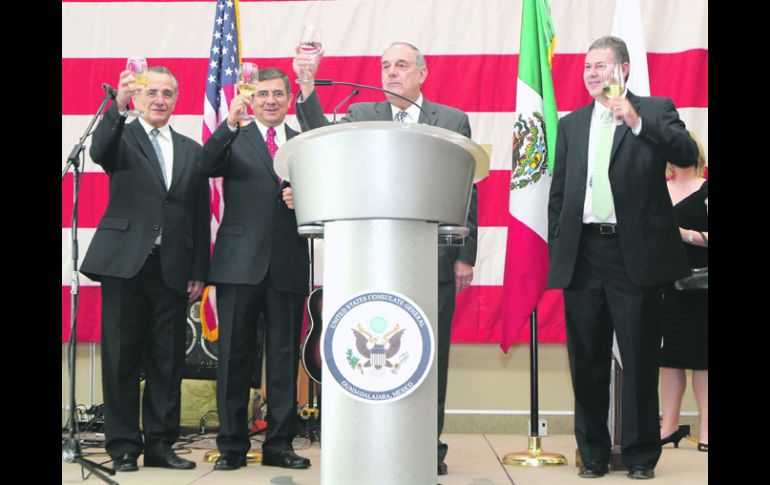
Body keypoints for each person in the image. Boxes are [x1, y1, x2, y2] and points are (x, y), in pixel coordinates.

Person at [291, 41, 478, 476]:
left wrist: (464, 254)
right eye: (386, 66)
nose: (392, 72)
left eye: (401, 65)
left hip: (433, 258)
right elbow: (321, 142)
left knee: (429, 357)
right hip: (367, 262)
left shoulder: (450, 120)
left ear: (422, 73)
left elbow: (467, 189)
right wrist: (307, 86)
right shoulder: (361, 114)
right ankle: (366, 442)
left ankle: (426, 447)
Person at [547, 36, 698, 480]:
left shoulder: (654, 110)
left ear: (624, 70)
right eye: (587, 67)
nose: (592, 73)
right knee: (587, 360)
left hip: (634, 256)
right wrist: (561, 246)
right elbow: (560, 195)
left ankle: (640, 456)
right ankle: (592, 453)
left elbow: (686, 154)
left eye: (601, 66)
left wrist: (636, 121)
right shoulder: (572, 124)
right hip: (583, 254)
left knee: (638, 359)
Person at [80, 66, 210, 472]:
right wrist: (116, 107)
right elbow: (99, 150)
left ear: (176, 100)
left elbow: (199, 215)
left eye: (167, 93)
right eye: (151, 91)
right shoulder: (121, 136)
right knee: (121, 358)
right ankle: (122, 446)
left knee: (167, 362)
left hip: (172, 268)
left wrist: (199, 269)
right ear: (137, 98)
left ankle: (160, 445)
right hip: (125, 265)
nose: (159, 99)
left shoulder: (191, 149)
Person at [199, 68, 311, 471]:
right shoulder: (235, 136)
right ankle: (231, 446)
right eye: (263, 94)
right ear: (252, 99)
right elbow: (205, 165)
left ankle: (279, 445)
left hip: (286, 264)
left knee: (283, 359)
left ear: (288, 99)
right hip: (238, 264)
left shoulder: (303, 143)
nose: (270, 100)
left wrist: (305, 198)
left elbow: (326, 193)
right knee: (234, 358)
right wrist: (229, 123)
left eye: (278, 94)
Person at [659, 133, 708, 452]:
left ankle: (706, 431)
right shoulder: (657, 190)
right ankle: (669, 426)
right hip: (663, 286)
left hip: (700, 288)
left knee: (702, 361)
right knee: (669, 359)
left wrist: (684, 235)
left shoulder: (705, 190)